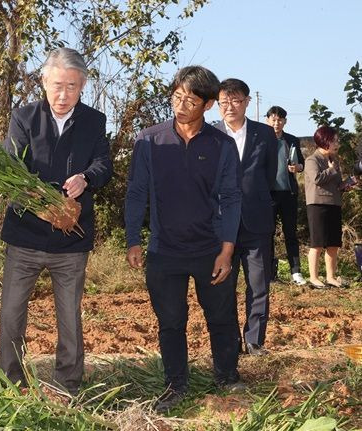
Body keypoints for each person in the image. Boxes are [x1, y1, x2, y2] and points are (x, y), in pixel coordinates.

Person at [125, 66, 243, 412]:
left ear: (207, 105)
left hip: (211, 249)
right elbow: (137, 193)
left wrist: (227, 250)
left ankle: (227, 376)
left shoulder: (221, 145)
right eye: (177, 96)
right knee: (171, 321)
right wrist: (134, 239)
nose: (181, 104)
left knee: (221, 317)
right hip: (165, 250)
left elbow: (231, 197)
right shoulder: (149, 140)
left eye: (191, 99)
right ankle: (175, 385)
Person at [0, 47, 113, 396]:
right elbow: (9, 166)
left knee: (69, 319)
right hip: (25, 236)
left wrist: (86, 179)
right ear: (44, 82)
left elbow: (104, 165)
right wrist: (38, 198)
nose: (64, 95)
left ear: (83, 86)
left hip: (71, 243)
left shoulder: (94, 121)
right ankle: (11, 384)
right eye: (57, 85)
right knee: (12, 316)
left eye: (72, 87)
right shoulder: (25, 117)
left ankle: (67, 387)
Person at [214, 79, 277, 357]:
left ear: (247, 102)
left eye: (236, 101)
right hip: (221, 225)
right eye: (224, 102)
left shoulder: (264, 134)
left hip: (256, 220)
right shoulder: (210, 135)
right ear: (217, 104)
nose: (230, 107)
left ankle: (254, 340)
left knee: (259, 284)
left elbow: (271, 174)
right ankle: (229, 343)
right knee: (223, 288)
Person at [303, 126, 349, 289]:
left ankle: (331, 277)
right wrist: (330, 170)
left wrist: (346, 185)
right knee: (317, 243)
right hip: (318, 205)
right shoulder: (311, 160)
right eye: (334, 140)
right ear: (325, 141)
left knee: (333, 244)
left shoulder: (334, 161)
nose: (337, 143)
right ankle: (314, 278)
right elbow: (317, 178)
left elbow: (336, 184)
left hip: (334, 204)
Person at [265, 106, 306, 285]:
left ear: (285, 121)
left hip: (288, 193)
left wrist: (297, 168)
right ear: (268, 120)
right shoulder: (262, 140)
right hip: (268, 195)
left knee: (291, 232)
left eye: (280, 120)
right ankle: (269, 273)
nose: (276, 123)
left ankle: (295, 271)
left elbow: (302, 164)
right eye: (273, 119)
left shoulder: (292, 140)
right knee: (268, 234)